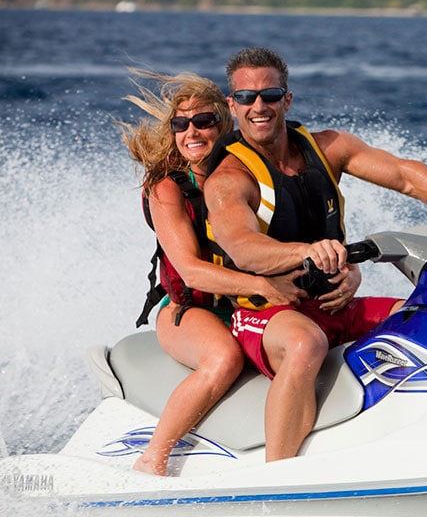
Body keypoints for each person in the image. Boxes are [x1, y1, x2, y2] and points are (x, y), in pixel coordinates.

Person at [204, 46, 427, 463]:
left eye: (270, 95)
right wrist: (309, 252)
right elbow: (243, 247)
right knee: (305, 343)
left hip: (335, 305)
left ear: (288, 99)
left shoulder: (329, 148)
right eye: (246, 98)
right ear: (233, 105)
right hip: (265, 314)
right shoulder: (230, 179)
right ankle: (277, 474)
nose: (258, 106)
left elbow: (405, 176)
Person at [119, 69, 305, 476]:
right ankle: (153, 459)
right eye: (181, 124)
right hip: (190, 310)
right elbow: (191, 272)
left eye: (203, 121)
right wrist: (262, 285)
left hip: (249, 304)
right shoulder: (167, 188)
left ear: (223, 124)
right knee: (223, 359)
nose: (192, 132)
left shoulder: (248, 172)